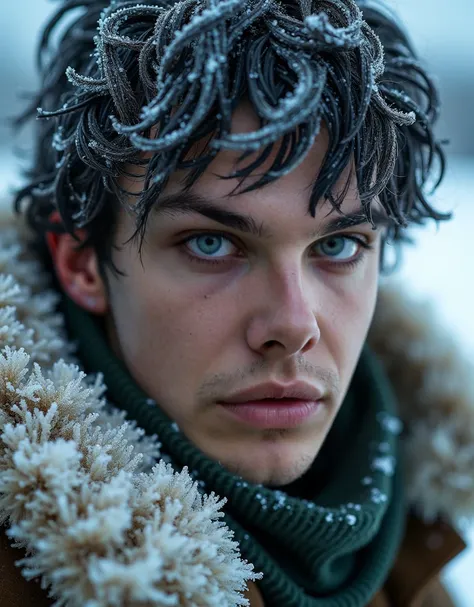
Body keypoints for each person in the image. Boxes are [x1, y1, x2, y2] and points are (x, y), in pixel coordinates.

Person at [0, 0, 472, 605]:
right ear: (80, 262)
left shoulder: (414, 543)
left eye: (339, 244)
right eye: (212, 243)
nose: (293, 326)